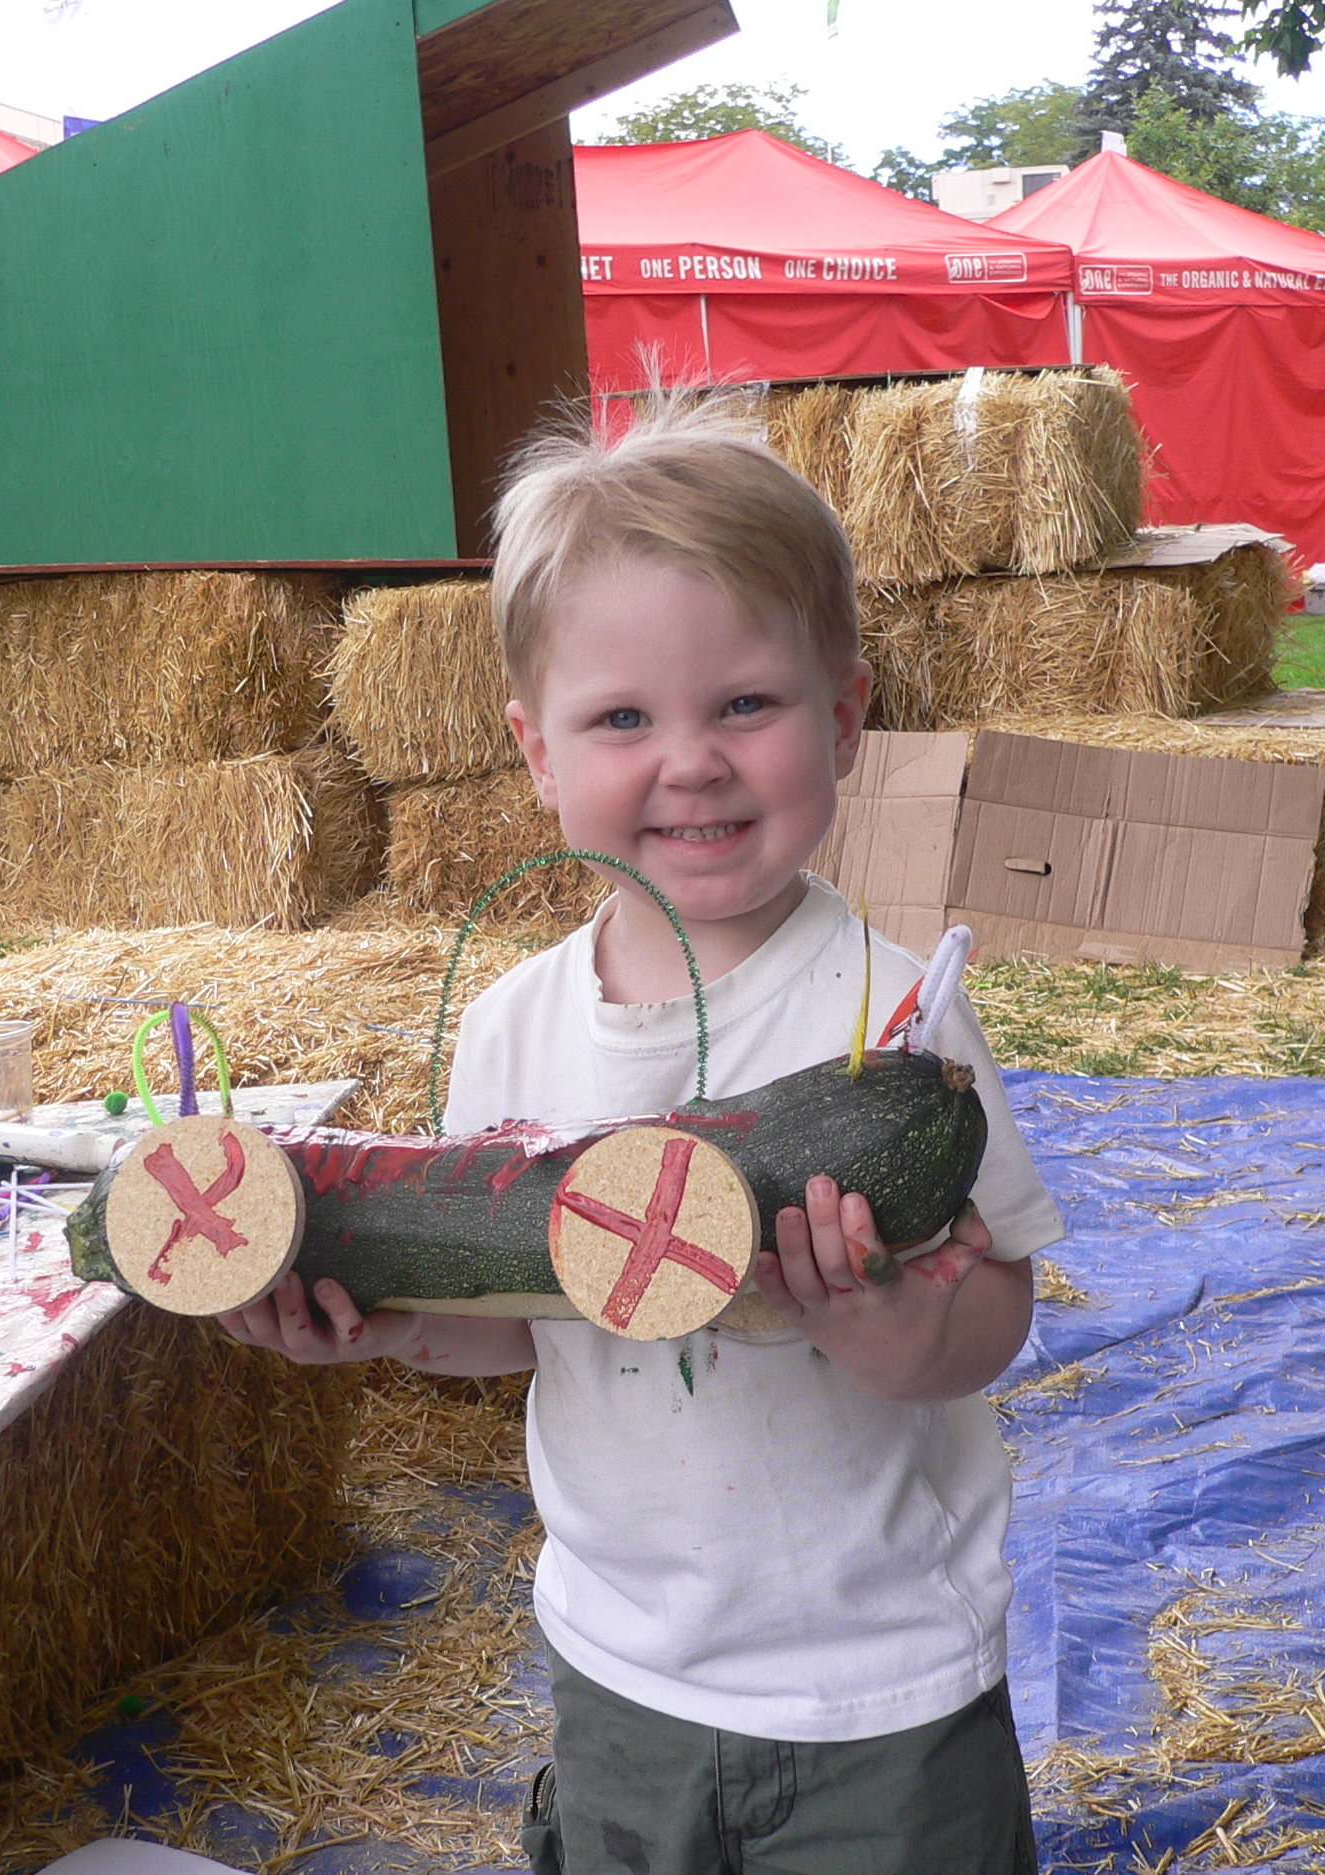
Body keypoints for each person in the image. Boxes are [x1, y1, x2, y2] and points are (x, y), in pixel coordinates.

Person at [220, 399, 1061, 1875]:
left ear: (847, 716)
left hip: (880, 1692)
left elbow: (995, 1313)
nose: (691, 761)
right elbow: (517, 1322)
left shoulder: (893, 1024)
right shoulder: (511, 1031)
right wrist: (381, 1323)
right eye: (623, 717)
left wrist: (878, 1325)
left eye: (747, 703)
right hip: (619, 1671)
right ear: (533, 751)